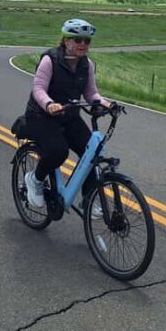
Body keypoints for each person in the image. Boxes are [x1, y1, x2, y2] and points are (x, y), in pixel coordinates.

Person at [23, 18, 113, 209]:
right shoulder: (50, 60)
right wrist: (49, 104)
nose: (83, 44)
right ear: (66, 40)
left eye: (87, 41)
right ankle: (35, 180)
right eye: (78, 39)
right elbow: (38, 89)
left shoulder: (86, 64)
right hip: (41, 116)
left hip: (69, 115)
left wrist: (106, 103)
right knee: (58, 151)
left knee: (93, 151)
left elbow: (90, 93)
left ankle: (88, 198)